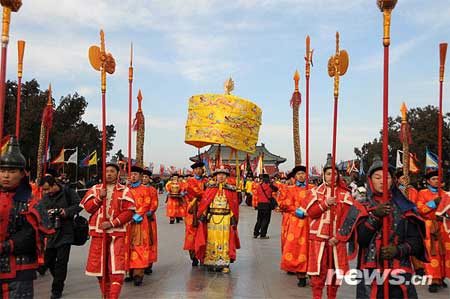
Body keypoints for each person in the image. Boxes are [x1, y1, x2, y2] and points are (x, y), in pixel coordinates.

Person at [338, 156, 427, 298]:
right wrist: (375, 217)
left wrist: (398, 250)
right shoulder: (362, 205)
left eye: (387, 177)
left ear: (393, 180)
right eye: (377, 177)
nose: (382, 181)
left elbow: (416, 242)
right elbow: (361, 240)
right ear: (370, 180)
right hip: (370, 271)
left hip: (400, 271)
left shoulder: (404, 206)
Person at [0, 136, 52, 298]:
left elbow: (31, 235)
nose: (6, 176)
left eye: (12, 171)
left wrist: (6, 246)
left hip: (20, 269)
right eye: (2, 170)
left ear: (22, 173)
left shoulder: (32, 201)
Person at [80, 162, 135, 299]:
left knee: (116, 267)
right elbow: (88, 208)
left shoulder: (125, 190)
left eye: (112, 171)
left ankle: (113, 296)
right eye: (106, 171)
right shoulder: (95, 189)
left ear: (117, 174)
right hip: (98, 234)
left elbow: (129, 212)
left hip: (117, 234)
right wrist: (99, 198)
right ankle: (106, 294)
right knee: (99, 268)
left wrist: (111, 223)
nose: (109, 173)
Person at [305, 154, 354, 299]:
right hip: (318, 239)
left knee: (334, 273)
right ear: (323, 175)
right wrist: (325, 204)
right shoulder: (315, 192)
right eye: (328, 173)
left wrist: (338, 236)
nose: (331, 176)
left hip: (336, 241)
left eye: (334, 173)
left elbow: (349, 219)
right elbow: (311, 213)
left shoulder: (345, 194)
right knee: (317, 273)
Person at [39, 175, 82, 299]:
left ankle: (57, 289)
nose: (46, 192)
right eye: (44, 190)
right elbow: (39, 210)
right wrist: (46, 214)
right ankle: (58, 278)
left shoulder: (68, 192)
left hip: (66, 232)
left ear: (54, 185)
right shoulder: (45, 197)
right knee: (49, 261)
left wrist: (66, 212)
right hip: (51, 233)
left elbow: (79, 205)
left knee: (62, 263)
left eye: (48, 189)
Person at [195, 165, 240, 273]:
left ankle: (224, 263)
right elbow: (206, 202)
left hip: (225, 218)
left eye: (223, 174)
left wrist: (233, 216)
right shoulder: (210, 188)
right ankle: (211, 261)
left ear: (226, 176)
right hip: (212, 218)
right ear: (215, 176)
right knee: (211, 239)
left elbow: (233, 204)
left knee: (225, 240)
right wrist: (203, 214)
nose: (221, 176)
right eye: (218, 174)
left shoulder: (231, 189)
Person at [278, 166, 311, 287]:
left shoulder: (313, 189)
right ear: (295, 176)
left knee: (311, 248)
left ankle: (312, 272)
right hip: (296, 222)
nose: (301, 176)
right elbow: (284, 204)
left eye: (303, 173)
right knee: (297, 248)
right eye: (299, 174)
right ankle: (301, 275)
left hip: (311, 222)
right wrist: (298, 211)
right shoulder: (289, 189)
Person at [416, 169, 447, 292]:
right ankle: (433, 280)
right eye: (433, 179)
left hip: (443, 226)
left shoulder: (445, 194)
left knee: (444, 252)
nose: (436, 181)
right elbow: (420, 209)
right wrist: (434, 203)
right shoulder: (422, 193)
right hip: (429, 226)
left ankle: (442, 277)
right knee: (431, 253)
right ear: (428, 181)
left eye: (438, 179)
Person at [127, 165, 154, 286]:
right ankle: (130, 272)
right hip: (126, 223)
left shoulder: (145, 189)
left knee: (139, 246)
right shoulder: (125, 189)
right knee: (128, 246)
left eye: (136, 174)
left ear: (140, 176)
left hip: (140, 222)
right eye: (131, 174)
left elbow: (146, 204)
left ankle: (138, 274)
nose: (133, 176)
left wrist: (136, 215)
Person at [184, 161, 206, 267]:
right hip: (192, 210)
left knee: (204, 232)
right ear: (193, 171)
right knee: (192, 233)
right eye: (196, 169)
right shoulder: (190, 181)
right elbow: (197, 193)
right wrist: (208, 193)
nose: (198, 171)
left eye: (200, 168)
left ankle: (203, 255)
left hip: (204, 209)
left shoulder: (206, 181)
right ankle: (193, 257)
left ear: (203, 170)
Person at [142, 169, 159, 276]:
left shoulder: (152, 190)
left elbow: (155, 202)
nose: (144, 179)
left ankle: (149, 264)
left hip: (148, 218)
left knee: (150, 240)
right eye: (142, 177)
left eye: (146, 177)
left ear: (149, 179)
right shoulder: (133, 188)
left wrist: (151, 211)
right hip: (136, 218)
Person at [253, 174, 278, 240]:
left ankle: (255, 233)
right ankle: (263, 234)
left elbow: (256, 194)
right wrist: (271, 184)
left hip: (260, 204)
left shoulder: (258, 186)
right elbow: (276, 189)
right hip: (267, 205)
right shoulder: (270, 186)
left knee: (259, 220)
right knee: (266, 220)